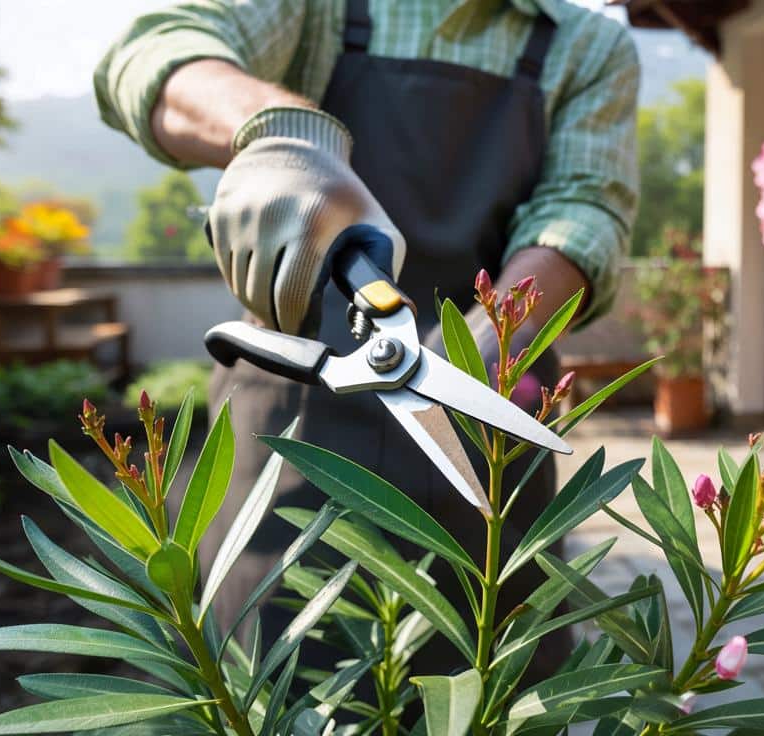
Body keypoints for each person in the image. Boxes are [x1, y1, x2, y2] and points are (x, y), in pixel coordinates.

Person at [94, 0, 638, 681]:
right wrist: (281, 139)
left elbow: (586, 208)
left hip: (482, 417)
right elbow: (154, 52)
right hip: (290, 425)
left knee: (491, 683)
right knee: (268, 678)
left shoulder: (589, 45)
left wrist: (493, 333)